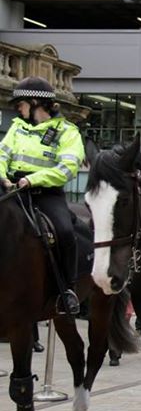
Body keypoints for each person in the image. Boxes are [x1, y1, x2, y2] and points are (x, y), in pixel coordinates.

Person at [0, 76, 84, 315]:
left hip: (45, 193)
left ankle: (67, 291)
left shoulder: (67, 131)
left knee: (65, 231)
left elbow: (67, 168)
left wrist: (32, 179)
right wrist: (3, 177)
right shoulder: (18, 126)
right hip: (12, 188)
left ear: (36, 102)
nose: (17, 107)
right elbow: (2, 154)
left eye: (21, 103)